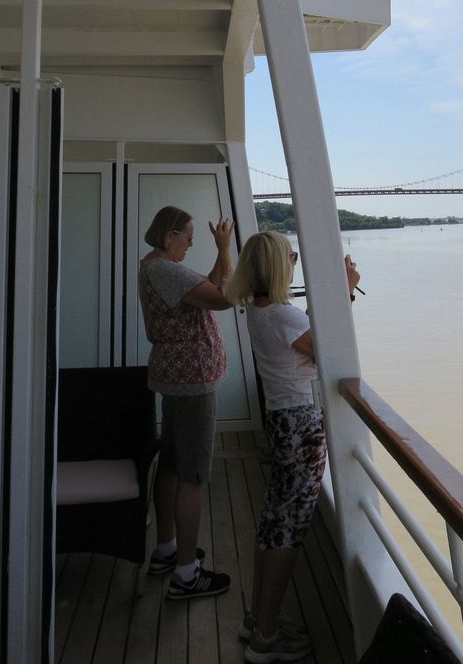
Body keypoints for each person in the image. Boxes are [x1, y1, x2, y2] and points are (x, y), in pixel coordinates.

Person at [224, 232, 360, 663]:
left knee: (273, 522)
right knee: (289, 530)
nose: (297, 261)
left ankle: (258, 618)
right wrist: (346, 291)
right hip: (301, 425)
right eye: (292, 256)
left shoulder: (260, 310)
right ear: (279, 267)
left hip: (281, 422)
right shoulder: (283, 316)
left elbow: (305, 339)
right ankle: (266, 636)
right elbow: (329, 353)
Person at [138, 205, 234, 600]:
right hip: (192, 383)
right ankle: (186, 574)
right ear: (168, 236)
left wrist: (217, 255)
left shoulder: (156, 267)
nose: (192, 243)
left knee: (173, 464)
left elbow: (208, 285)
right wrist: (226, 248)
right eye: (188, 236)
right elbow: (224, 297)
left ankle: (166, 550)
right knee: (193, 474)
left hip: (174, 379)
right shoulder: (165, 269)